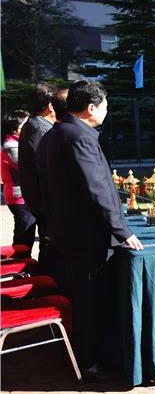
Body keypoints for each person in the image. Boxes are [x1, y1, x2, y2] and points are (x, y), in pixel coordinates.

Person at [40, 80, 144, 375]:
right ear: (91, 108)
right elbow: (96, 188)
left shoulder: (57, 133)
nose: (107, 111)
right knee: (91, 302)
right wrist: (122, 230)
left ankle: (86, 357)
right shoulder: (79, 136)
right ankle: (91, 363)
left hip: (66, 232)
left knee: (83, 299)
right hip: (87, 238)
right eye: (105, 106)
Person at [18, 84, 67, 271]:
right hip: (44, 198)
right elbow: (48, 164)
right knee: (50, 242)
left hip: (41, 196)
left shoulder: (37, 125)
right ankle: (46, 279)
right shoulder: (39, 128)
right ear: (50, 105)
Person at [2, 110, 36, 248]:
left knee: (24, 231)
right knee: (24, 235)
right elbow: (29, 167)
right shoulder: (12, 147)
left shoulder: (17, 143)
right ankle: (19, 260)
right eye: (26, 126)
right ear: (15, 130)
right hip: (19, 196)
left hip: (20, 195)